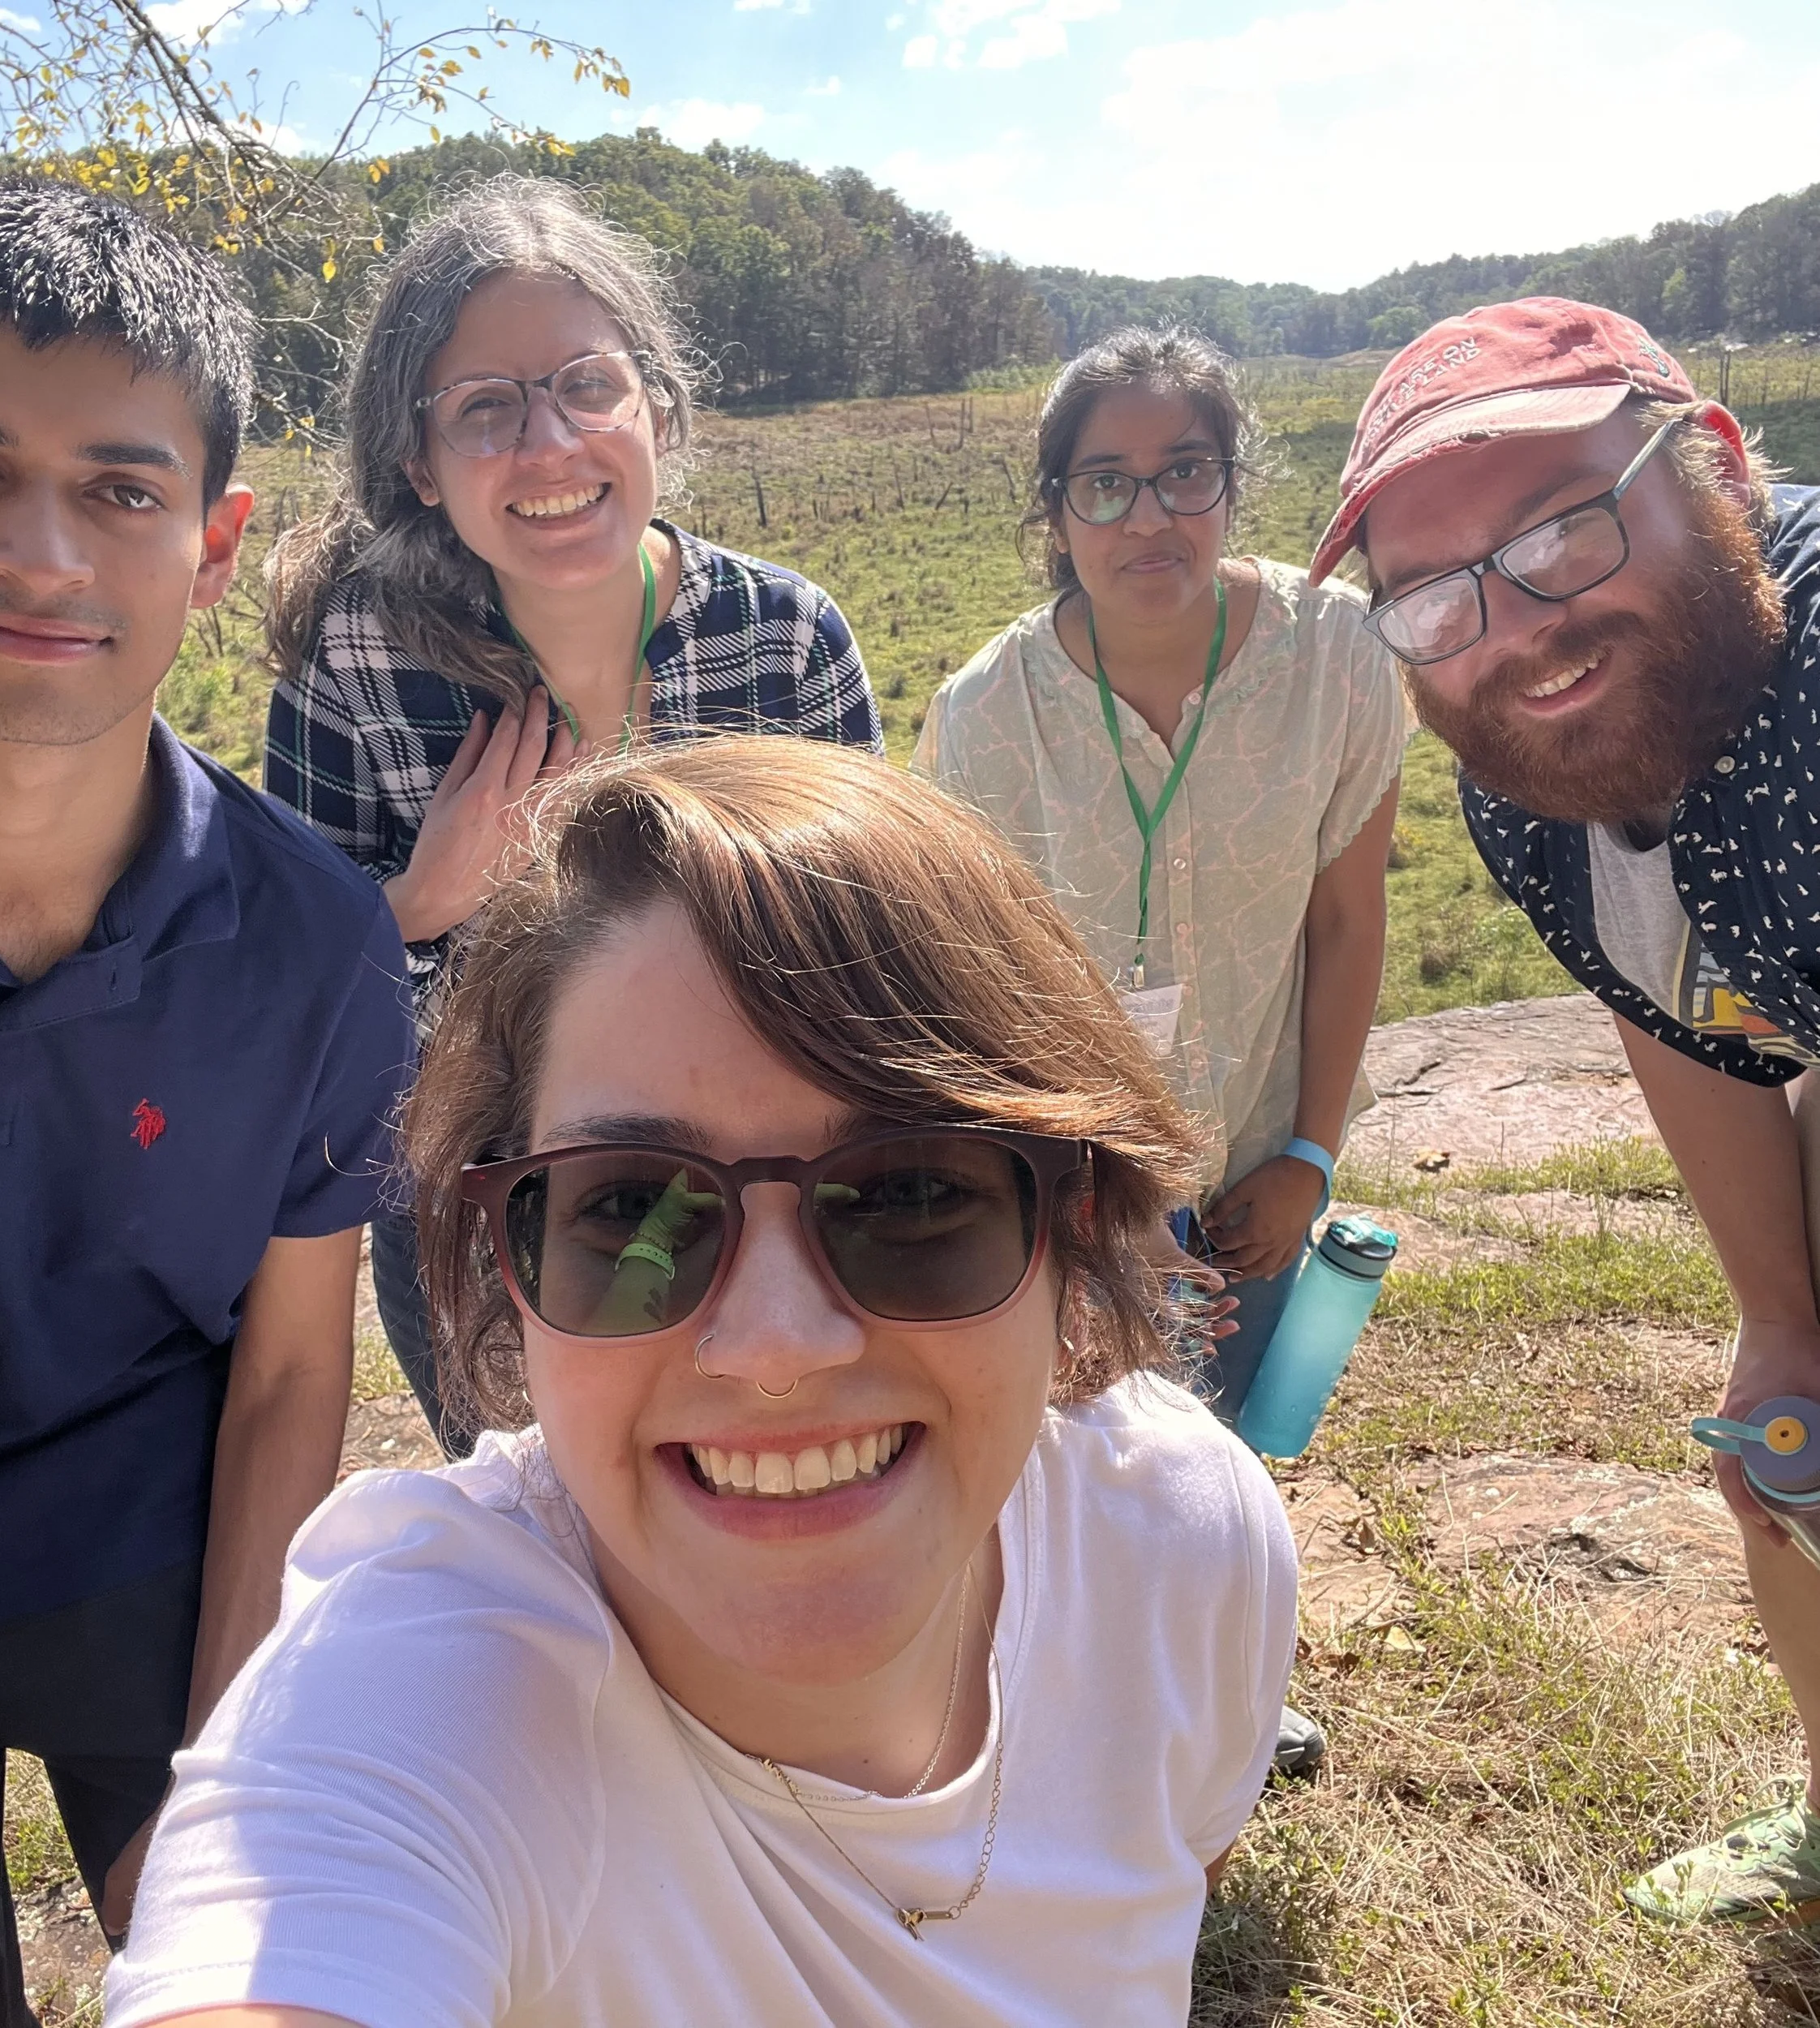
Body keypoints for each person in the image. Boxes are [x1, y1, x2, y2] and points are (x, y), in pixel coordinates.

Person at [103, 737, 1298, 2028]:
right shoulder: (419, 1691)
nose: (775, 1346)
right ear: (510, 1266)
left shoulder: (1177, 1546)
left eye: (909, 1193)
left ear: (1074, 1225)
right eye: (631, 1208)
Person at [0, 178, 413, 2027]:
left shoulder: (312, 940)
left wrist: (227, 1779)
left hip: (146, 1542)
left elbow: (291, 1372)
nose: (43, 553)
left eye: (123, 491)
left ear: (214, 545)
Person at [1310, 294, 1820, 1925]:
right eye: (1429, 597)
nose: (1513, 628)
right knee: (1792, 1453)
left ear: (1714, 468)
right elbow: (1671, 1014)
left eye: (1556, 532)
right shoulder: (1528, 783)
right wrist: (1779, 1320)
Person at [261, 175, 882, 1454]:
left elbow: (876, 962)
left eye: (588, 385)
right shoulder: (361, 663)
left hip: (761, 1197)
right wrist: (419, 905)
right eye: (486, 407)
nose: (549, 445)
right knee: (541, 1534)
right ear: (418, 465)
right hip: (481, 1213)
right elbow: (289, 1001)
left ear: (657, 405)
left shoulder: (786, 641)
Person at [913, 327, 1405, 1423]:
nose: (1148, 517)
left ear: (1232, 485)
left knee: (1239, 1449)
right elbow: (973, 994)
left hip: (1259, 1173)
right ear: (1056, 513)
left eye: (1185, 472)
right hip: (1068, 1185)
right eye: (1105, 483)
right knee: (1080, 1460)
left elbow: (1345, 919)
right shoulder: (985, 716)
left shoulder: (1338, 656)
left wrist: (1311, 1156)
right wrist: (1089, 1202)